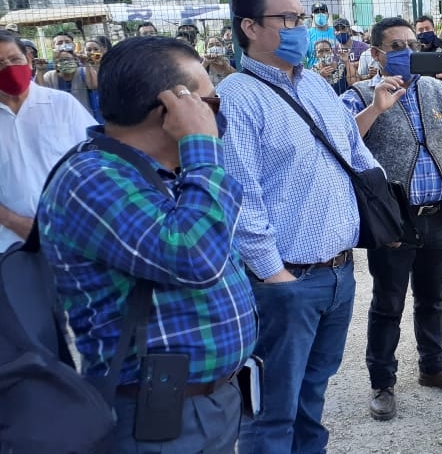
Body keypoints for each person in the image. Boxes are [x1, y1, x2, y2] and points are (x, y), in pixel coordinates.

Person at [36, 35, 256, 453]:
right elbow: (196, 256)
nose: (217, 113)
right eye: (210, 102)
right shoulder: (92, 179)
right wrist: (204, 149)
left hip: (207, 402)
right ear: (171, 108)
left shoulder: (165, 172)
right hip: (157, 416)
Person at [218, 0, 384, 452]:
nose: (300, 29)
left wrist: (385, 207)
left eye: (302, 18)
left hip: (337, 274)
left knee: (313, 395)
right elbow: (240, 195)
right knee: (272, 410)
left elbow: (352, 150)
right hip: (287, 283)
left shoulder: (315, 84)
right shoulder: (237, 97)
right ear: (249, 26)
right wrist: (275, 276)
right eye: (286, 19)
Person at [341, 16, 442, 421]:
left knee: (432, 298)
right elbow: (340, 141)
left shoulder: (438, 90)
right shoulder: (359, 94)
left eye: (412, 44)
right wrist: (376, 107)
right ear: (375, 54)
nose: (407, 52)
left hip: (439, 212)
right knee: (388, 303)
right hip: (393, 218)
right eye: (395, 47)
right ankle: (382, 383)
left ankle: (433, 367)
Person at [0, 30, 94, 251]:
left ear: (29, 59)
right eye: (0, 63)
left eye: (15, 60)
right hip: (9, 243)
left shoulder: (63, 105)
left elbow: (95, 162)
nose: (9, 69)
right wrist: (14, 222)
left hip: (72, 235)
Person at [306, 2, 334, 67]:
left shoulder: (335, 32)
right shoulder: (307, 34)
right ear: (312, 16)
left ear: (327, 15)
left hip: (335, 72)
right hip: (314, 73)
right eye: (317, 12)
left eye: (323, 12)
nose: (320, 14)